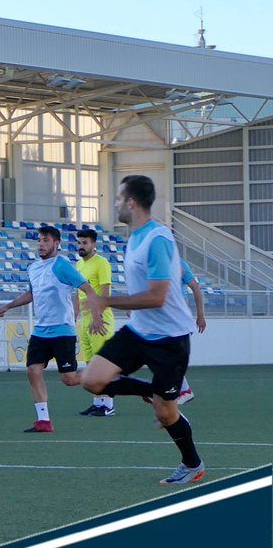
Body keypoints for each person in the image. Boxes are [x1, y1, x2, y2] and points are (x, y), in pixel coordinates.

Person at [80, 175, 206, 485]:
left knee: (166, 414)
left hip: (170, 340)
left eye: (119, 198)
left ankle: (193, 464)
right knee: (93, 380)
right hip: (139, 331)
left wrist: (105, 301)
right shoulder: (135, 236)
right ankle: (151, 392)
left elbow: (157, 296)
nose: (116, 203)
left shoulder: (158, 239)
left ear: (132, 203)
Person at [0, 225, 105, 433]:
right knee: (32, 371)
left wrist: (96, 317)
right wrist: (8, 306)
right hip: (40, 330)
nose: (41, 244)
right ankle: (43, 421)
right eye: (39, 241)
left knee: (70, 379)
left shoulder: (62, 265)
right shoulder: (33, 268)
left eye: (45, 240)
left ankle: (103, 374)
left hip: (62, 330)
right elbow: (31, 294)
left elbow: (88, 290)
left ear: (56, 243)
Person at [74, 228, 117, 417]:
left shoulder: (102, 263)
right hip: (85, 320)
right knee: (91, 363)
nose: (81, 246)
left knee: (103, 363)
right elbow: (77, 292)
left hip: (100, 319)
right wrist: (76, 314)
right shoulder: (78, 265)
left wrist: (98, 317)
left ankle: (108, 404)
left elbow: (105, 293)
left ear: (94, 244)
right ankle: (98, 402)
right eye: (79, 243)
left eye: (85, 243)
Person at [176, 259, 207, 404]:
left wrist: (200, 315)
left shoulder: (180, 264)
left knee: (171, 354)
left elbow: (195, 288)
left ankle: (184, 391)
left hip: (179, 317)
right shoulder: (155, 263)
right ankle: (183, 390)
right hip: (165, 317)